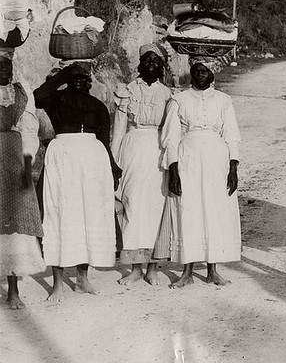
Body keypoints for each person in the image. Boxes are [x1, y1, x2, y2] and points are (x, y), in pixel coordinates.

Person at [34, 61, 121, 303]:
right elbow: (38, 96)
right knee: (60, 215)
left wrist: (112, 168)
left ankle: (82, 279)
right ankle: (58, 284)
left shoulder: (98, 106)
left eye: (85, 78)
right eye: (77, 78)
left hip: (93, 162)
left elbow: (104, 139)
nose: (82, 82)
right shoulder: (57, 99)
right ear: (69, 80)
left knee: (88, 216)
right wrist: (63, 74)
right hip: (63, 159)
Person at [155, 57, 241, 287]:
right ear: (191, 75)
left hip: (216, 160)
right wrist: (173, 170)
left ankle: (213, 270)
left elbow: (231, 134)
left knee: (214, 211)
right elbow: (171, 138)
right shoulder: (179, 99)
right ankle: (187, 272)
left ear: (212, 75)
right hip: (188, 159)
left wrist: (233, 168)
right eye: (196, 71)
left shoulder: (223, 100)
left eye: (205, 71)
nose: (200, 75)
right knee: (188, 211)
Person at [111, 44, 172, 285]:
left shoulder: (168, 95)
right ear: (139, 64)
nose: (150, 64)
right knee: (132, 204)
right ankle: (135, 268)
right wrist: (114, 162)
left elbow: (172, 132)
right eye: (146, 60)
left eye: (156, 61)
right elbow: (118, 129)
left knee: (156, 205)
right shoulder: (127, 91)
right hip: (132, 150)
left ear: (161, 66)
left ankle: (153, 267)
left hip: (158, 152)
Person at [0, 50, 45, 309]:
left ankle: (13, 290)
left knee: (16, 221)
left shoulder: (20, 93)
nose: (3, 70)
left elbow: (29, 130)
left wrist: (28, 166)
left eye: (7, 65)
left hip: (15, 159)